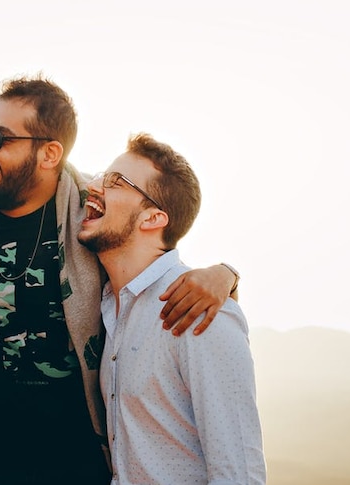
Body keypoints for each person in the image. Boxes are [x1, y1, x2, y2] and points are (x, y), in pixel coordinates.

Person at [0, 74, 240, 484]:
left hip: (85, 469)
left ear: (49, 153)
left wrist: (225, 274)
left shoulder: (91, 215)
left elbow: (155, 253)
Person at [78, 133, 266, 484]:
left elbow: (239, 473)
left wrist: (228, 274)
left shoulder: (201, 310)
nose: (94, 186)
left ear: (152, 218)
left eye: (116, 182)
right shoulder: (110, 309)